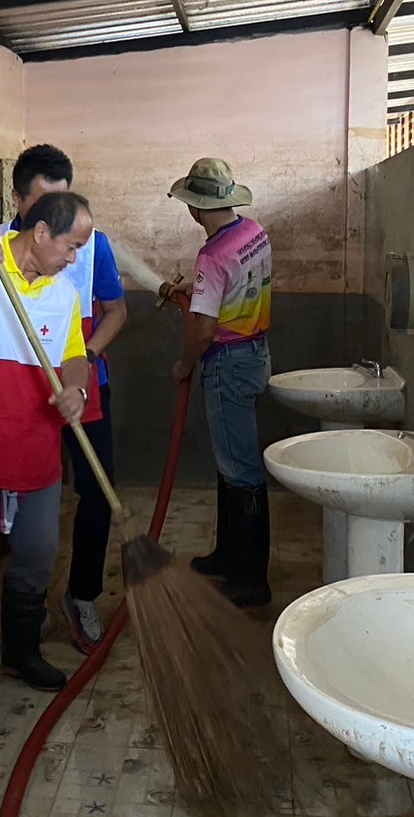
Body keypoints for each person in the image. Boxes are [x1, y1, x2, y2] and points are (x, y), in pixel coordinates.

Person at [0, 144, 127, 654]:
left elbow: (101, 325)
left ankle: (68, 607)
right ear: (22, 205)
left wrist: (80, 380)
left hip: (59, 400)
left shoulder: (80, 263)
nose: (73, 256)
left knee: (80, 502)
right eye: (41, 204)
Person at [0, 191, 93, 737]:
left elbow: (75, 356)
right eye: (71, 246)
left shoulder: (63, 292)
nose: (74, 258)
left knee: (39, 553)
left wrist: (76, 390)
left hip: (36, 443)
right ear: (40, 233)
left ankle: (20, 653)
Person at [166, 158, 273, 608]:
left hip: (226, 363)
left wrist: (184, 364)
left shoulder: (211, 256)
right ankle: (228, 555)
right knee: (232, 461)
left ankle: (251, 579)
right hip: (255, 354)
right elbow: (234, 288)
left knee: (241, 470)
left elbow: (203, 331)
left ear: (195, 208)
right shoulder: (254, 233)